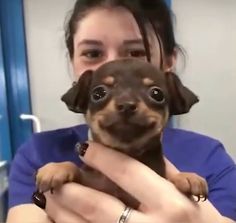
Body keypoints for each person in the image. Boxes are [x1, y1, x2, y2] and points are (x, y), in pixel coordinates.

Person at [6, 0, 236, 222]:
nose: (125, 103)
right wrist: (68, 170)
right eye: (93, 53)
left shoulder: (211, 159)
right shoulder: (38, 154)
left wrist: (179, 184)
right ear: (74, 63)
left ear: (168, 62)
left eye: (136, 53)